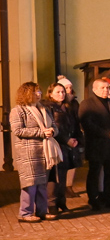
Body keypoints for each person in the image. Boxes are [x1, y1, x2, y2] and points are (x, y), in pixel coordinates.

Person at [10, 82, 58, 222]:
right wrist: (41, 132)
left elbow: (54, 126)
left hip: (45, 152)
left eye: (39, 92)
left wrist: (52, 131)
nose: (39, 94)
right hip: (28, 153)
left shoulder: (44, 109)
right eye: (35, 92)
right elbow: (18, 130)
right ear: (26, 94)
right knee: (30, 184)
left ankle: (42, 211)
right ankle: (25, 213)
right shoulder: (18, 110)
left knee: (42, 183)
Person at [79, 78, 110, 210]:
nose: (105, 90)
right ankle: (93, 198)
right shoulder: (87, 104)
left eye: (107, 88)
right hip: (97, 144)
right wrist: (106, 133)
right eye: (102, 88)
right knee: (95, 172)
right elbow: (87, 124)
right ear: (94, 89)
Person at [43, 81, 81, 216]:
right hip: (55, 144)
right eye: (58, 92)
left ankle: (61, 202)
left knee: (63, 175)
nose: (61, 94)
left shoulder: (66, 107)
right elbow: (54, 127)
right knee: (54, 176)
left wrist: (76, 139)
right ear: (50, 94)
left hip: (67, 145)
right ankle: (51, 204)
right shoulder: (48, 108)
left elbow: (73, 125)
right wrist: (66, 140)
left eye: (63, 92)